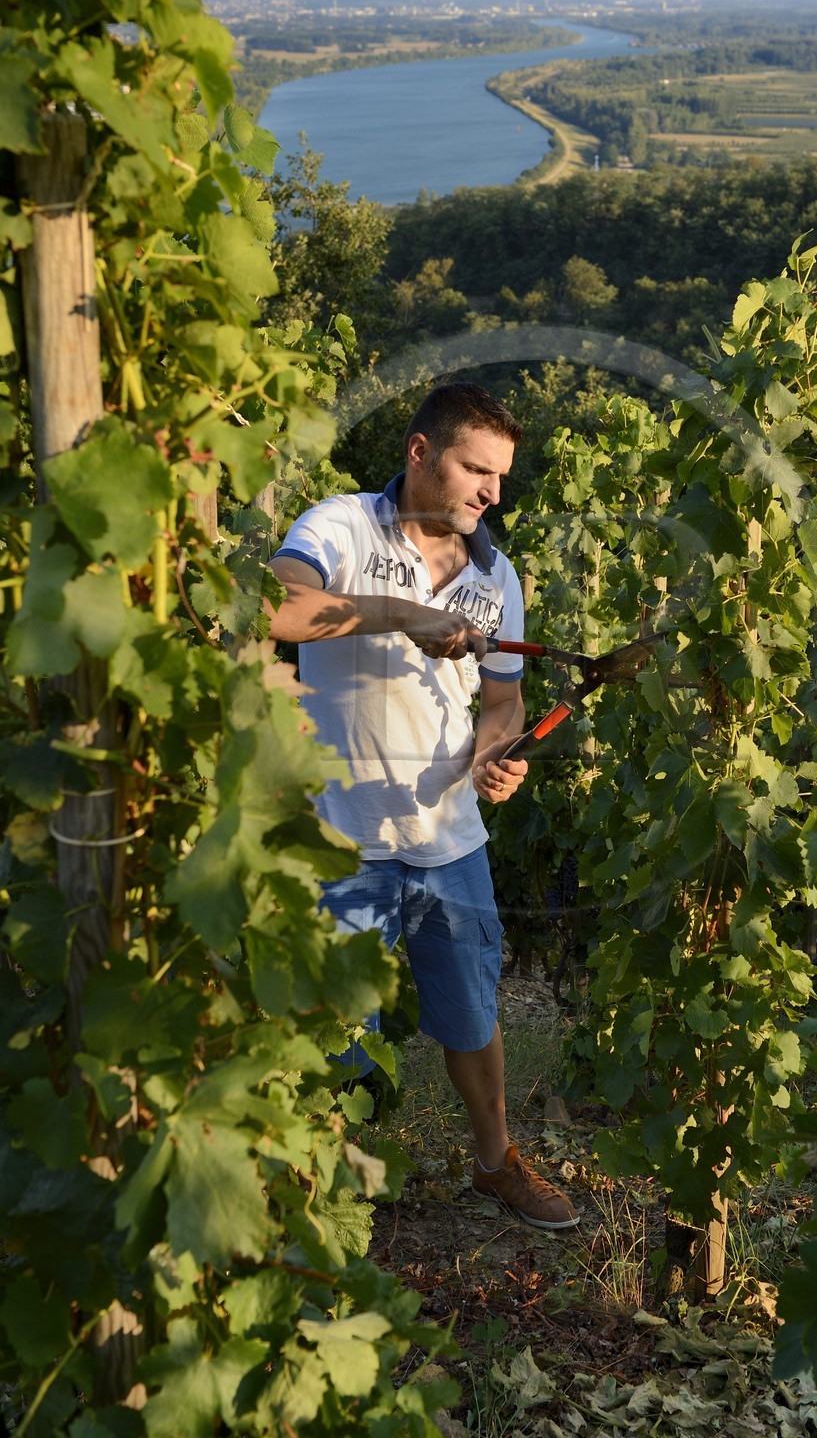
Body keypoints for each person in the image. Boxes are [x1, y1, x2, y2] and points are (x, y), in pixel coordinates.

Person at [267, 382, 578, 1231]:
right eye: (475, 470)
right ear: (419, 453)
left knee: (472, 1017)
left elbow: (502, 700)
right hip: (340, 839)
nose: (491, 493)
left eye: (500, 476)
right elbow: (279, 607)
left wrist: (492, 755)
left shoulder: (496, 575)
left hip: (449, 841)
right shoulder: (341, 526)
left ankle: (495, 1163)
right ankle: (316, 1198)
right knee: (331, 1035)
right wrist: (400, 614)